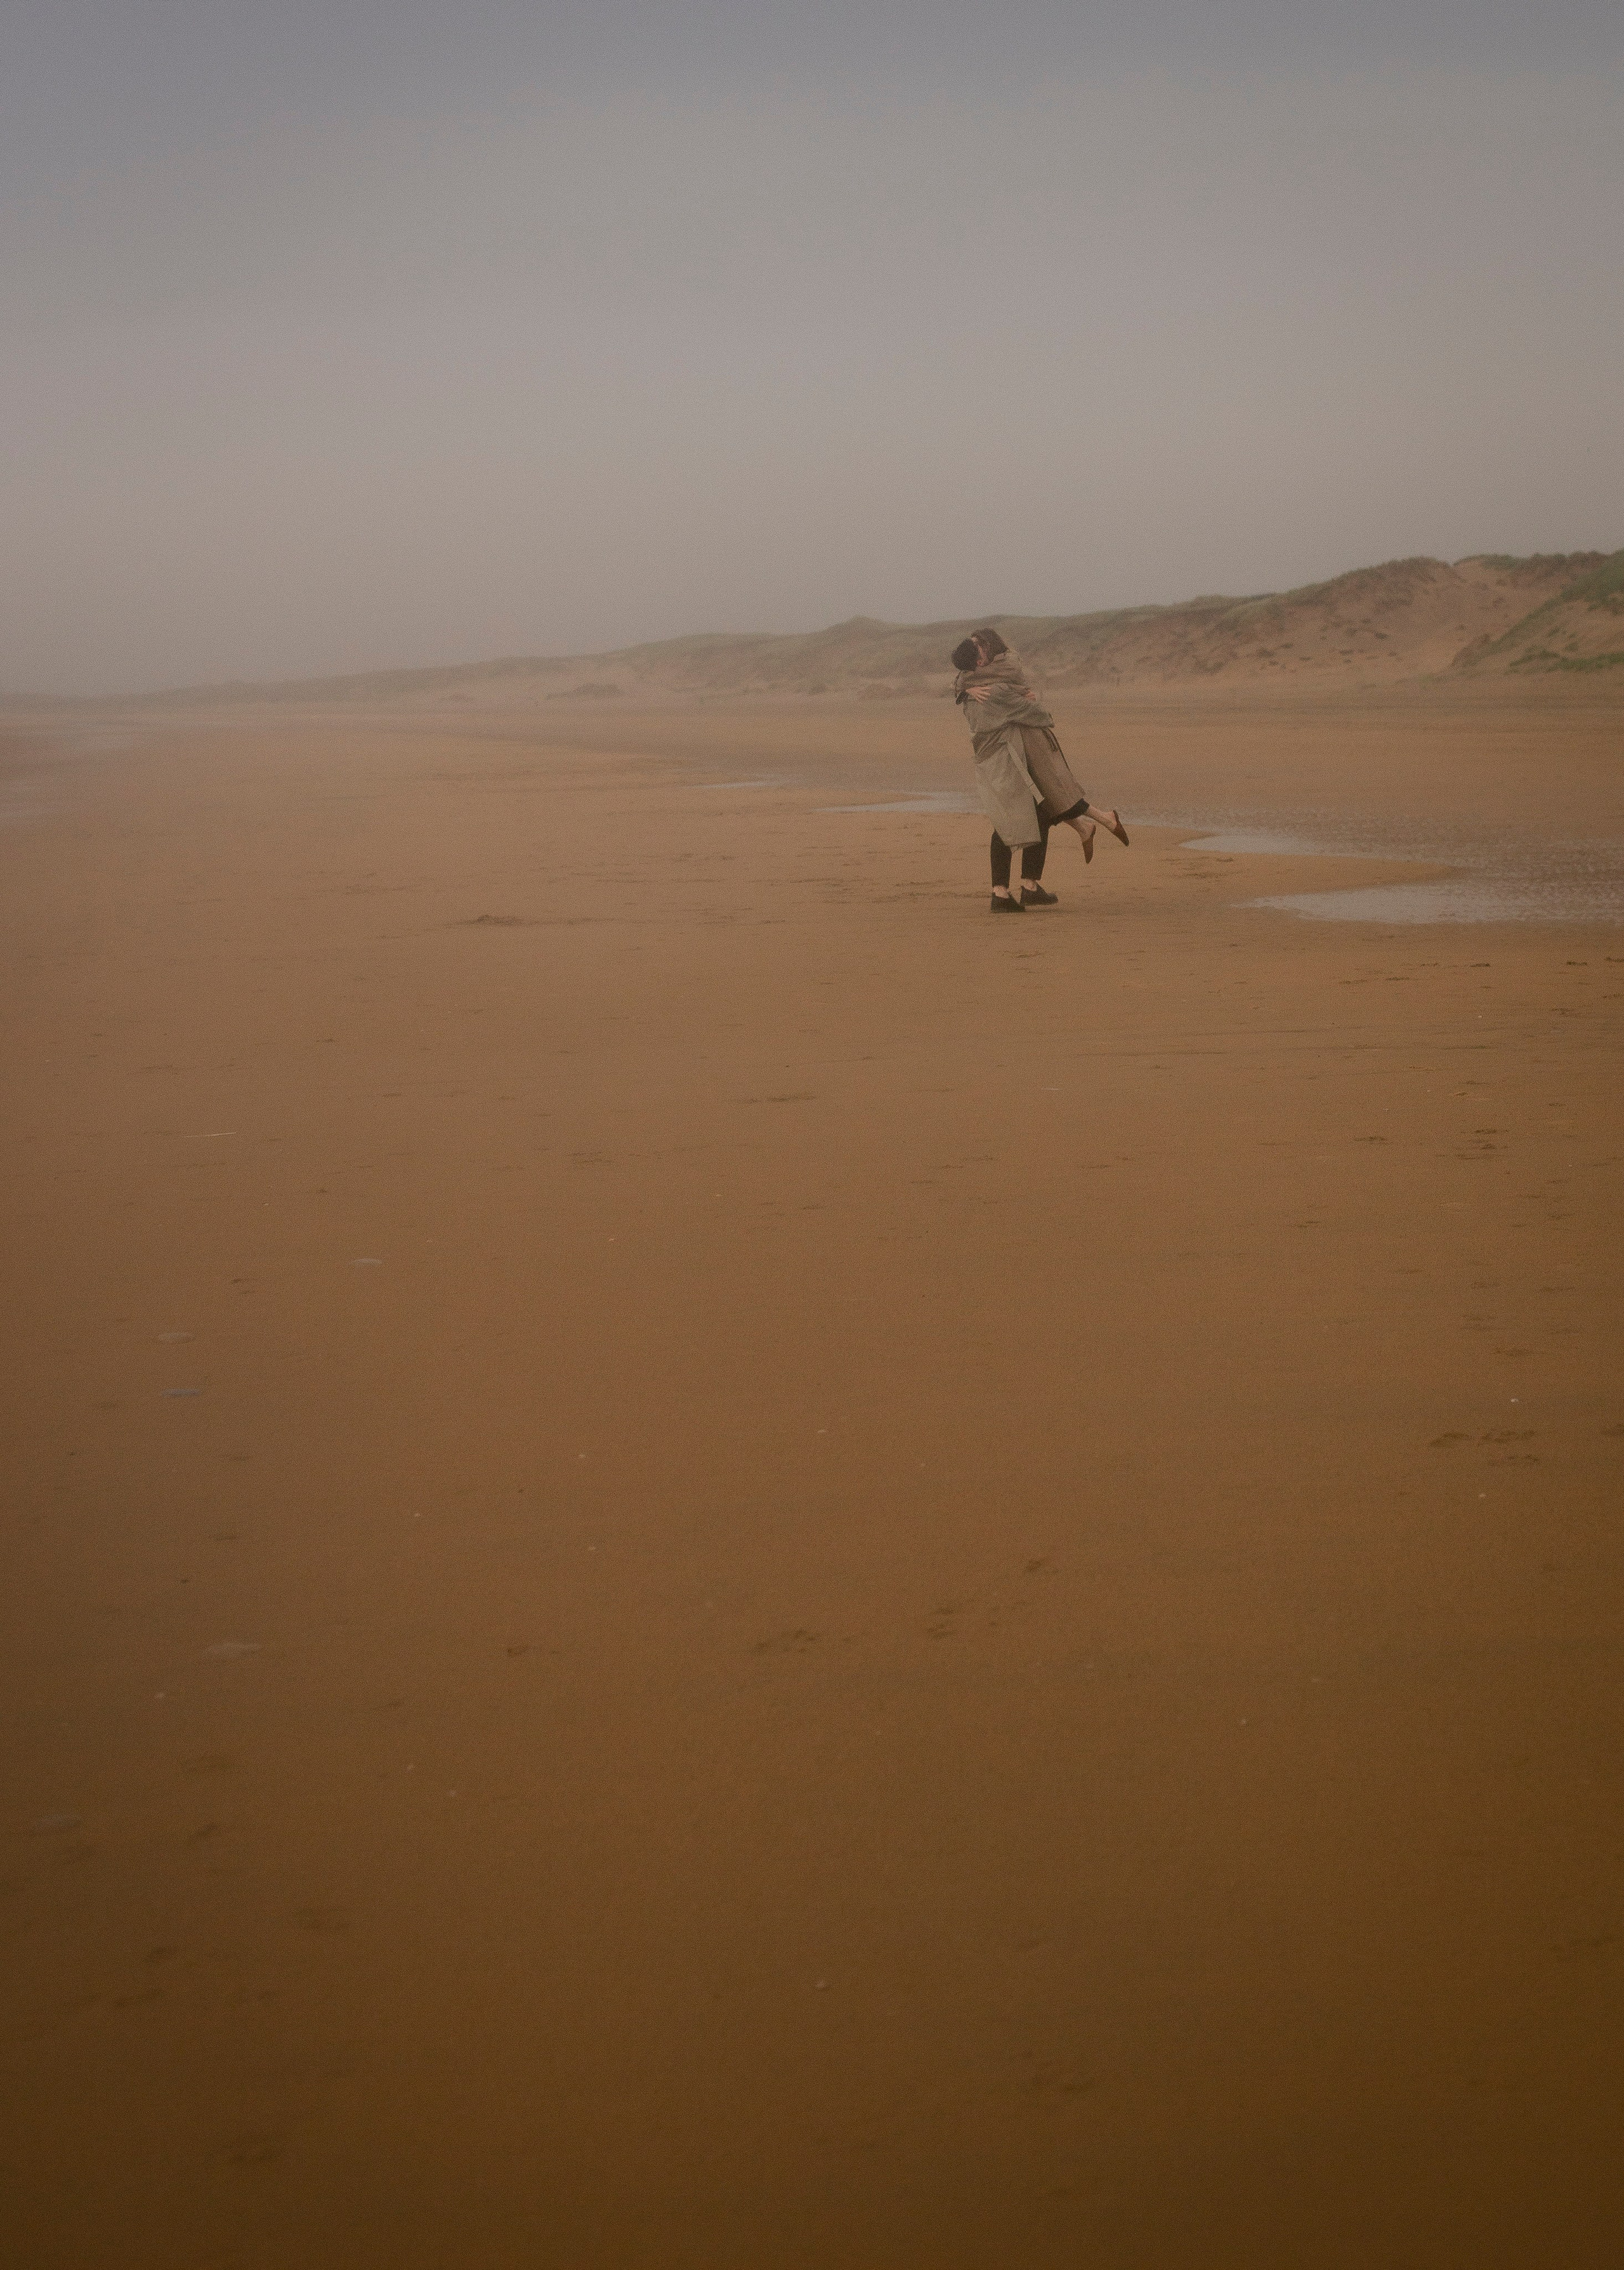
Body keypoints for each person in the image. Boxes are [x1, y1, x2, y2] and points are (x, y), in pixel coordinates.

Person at [950, 629, 1128, 910]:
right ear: (977, 663)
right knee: (1011, 823)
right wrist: (1030, 701)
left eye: (982, 648)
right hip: (1008, 763)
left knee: (1039, 814)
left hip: (1002, 760)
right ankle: (1001, 894)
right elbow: (1036, 714)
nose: (982, 657)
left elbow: (971, 680)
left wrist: (965, 689)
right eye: (978, 653)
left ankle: (1029, 886)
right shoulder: (994, 691)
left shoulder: (975, 684)